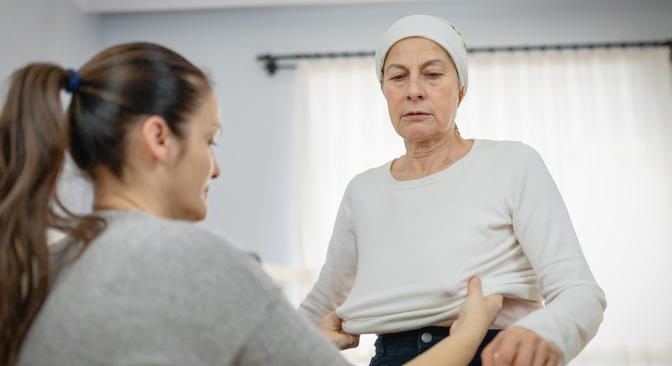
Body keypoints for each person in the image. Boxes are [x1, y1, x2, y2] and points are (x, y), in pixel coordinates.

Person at [0, 42, 503, 366]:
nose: (214, 168)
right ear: (159, 138)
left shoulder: (48, 266)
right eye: (210, 140)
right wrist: (468, 332)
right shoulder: (195, 261)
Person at [298, 14, 607, 366]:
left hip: (495, 353)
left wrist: (547, 331)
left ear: (461, 89)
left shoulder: (513, 164)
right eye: (398, 77)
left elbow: (580, 292)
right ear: (384, 90)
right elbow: (323, 302)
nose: (413, 89)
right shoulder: (362, 192)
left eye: (432, 74)